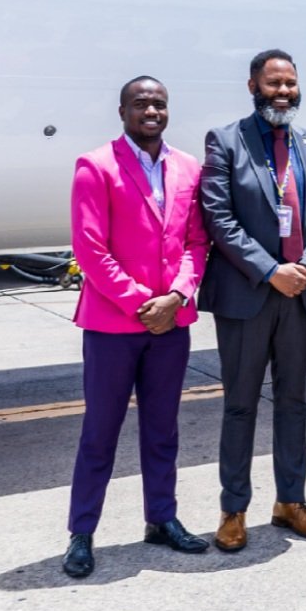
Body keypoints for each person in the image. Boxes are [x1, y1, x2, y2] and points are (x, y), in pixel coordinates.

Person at [197, 46, 306, 551]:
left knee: (293, 401)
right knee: (240, 406)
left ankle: (291, 501)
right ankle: (233, 509)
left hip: (300, 295)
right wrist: (270, 270)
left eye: (289, 83)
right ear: (253, 87)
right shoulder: (226, 141)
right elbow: (218, 218)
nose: (283, 92)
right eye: (273, 84)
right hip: (247, 295)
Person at [63, 75, 212, 579]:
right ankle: (82, 534)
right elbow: (90, 250)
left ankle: (161, 518)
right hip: (112, 325)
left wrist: (176, 297)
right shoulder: (95, 167)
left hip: (171, 323)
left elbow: (197, 244)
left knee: (162, 430)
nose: (151, 110)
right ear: (123, 111)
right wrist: (143, 302)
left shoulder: (189, 168)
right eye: (141, 103)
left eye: (159, 103)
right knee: (99, 434)